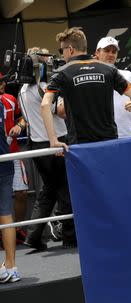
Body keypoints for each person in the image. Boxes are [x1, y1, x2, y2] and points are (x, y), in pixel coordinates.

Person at [41, 27, 131, 151]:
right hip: (110, 142)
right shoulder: (108, 69)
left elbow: (45, 105)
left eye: (62, 50)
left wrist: (53, 140)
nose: (62, 54)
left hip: (80, 146)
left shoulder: (61, 73)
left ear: (70, 50)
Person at [19, 47, 73, 249]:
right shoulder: (44, 87)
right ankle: (70, 237)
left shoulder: (22, 89)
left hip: (37, 143)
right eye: (44, 59)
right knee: (64, 189)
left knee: (48, 190)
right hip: (54, 142)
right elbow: (61, 112)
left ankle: (33, 236)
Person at [0, 74, 28, 243]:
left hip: (13, 153)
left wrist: (19, 125)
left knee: (22, 193)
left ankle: (16, 229)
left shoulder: (10, 99)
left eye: (2, 81)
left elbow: (24, 118)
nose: (2, 84)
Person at [96, 37, 131, 137]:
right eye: (106, 51)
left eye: (114, 51)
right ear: (97, 52)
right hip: (101, 137)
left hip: (127, 135)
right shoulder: (90, 77)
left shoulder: (128, 75)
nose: (111, 54)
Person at [0, 100, 21, 283]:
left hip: (4, 163)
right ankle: (11, 267)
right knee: (6, 215)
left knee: (6, 215)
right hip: (5, 163)